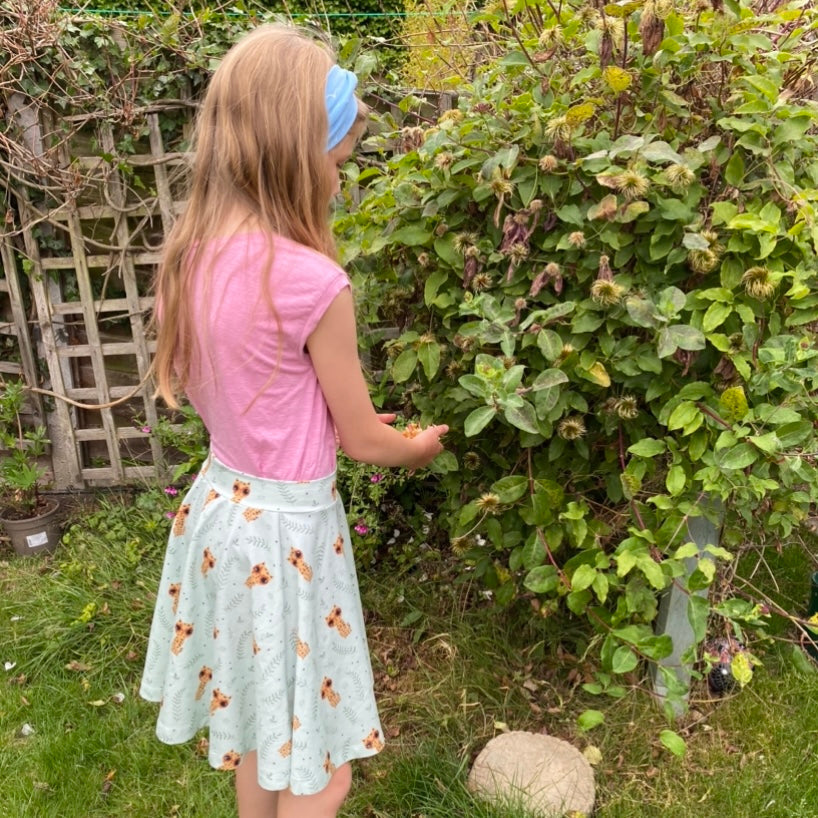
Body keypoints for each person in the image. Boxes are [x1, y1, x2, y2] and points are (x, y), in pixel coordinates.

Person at [139, 24, 448, 818]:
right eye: (337, 161)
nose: (340, 179)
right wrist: (416, 447)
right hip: (289, 546)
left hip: (221, 519)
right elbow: (367, 440)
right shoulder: (313, 282)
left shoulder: (187, 261)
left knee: (261, 731)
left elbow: (263, 395)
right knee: (322, 769)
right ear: (295, 156)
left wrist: (325, 422)